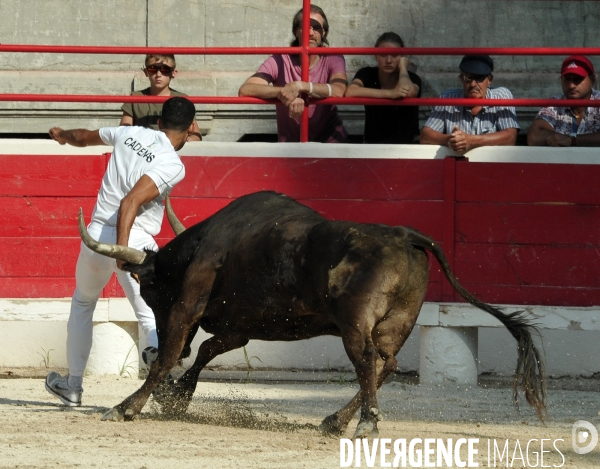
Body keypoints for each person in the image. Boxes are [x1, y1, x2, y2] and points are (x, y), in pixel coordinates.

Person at [45, 97, 196, 407]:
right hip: (133, 244)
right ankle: (161, 376)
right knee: (154, 315)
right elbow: (130, 202)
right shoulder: (173, 164)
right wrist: (123, 252)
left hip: (95, 237)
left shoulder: (129, 133)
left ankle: (72, 386)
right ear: (191, 129)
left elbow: (82, 136)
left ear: (158, 122)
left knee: (83, 302)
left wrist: (62, 136)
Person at [238, 4, 348, 143]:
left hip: (330, 142)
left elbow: (339, 90)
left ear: (324, 32)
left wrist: (301, 86)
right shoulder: (281, 59)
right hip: (291, 146)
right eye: (305, 26)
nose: (310, 33)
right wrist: (284, 93)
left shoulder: (333, 57)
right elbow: (246, 89)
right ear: (296, 31)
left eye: (316, 28)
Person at [420, 55, 519, 154]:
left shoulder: (501, 96)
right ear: (461, 79)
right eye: (468, 78)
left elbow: (510, 138)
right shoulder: (448, 97)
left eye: (479, 78)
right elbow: (425, 136)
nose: (473, 84)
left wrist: (471, 140)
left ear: (490, 80)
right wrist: (449, 140)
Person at [345, 32, 421, 144]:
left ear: (402, 57)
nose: (389, 60)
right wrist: (390, 93)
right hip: (373, 145)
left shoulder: (412, 78)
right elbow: (350, 92)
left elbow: (409, 92)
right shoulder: (367, 73)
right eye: (383, 54)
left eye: (395, 55)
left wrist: (403, 68)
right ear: (375, 55)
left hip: (406, 146)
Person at [120, 54, 202, 141]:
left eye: (165, 69)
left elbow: (196, 135)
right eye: (152, 69)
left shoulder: (182, 99)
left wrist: (183, 143)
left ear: (173, 73)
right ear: (146, 72)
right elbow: (123, 131)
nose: (158, 74)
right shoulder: (135, 98)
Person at [527, 55, 600, 147]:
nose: (571, 85)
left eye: (577, 79)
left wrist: (572, 140)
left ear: (592, 79)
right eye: (567, 80)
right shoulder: (554, 103)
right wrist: (553, 137)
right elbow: (533, 136)